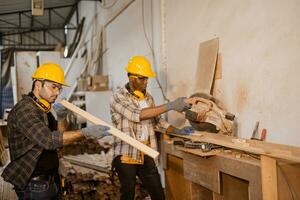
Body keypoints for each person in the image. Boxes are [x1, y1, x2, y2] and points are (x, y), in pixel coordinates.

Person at [1, 63, 110, 200]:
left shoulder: (42, 109)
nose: (57, 93)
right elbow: (49, 140)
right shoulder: (25, 110)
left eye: (59, 88)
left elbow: (60, 135)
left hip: (51, 179)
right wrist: (85, 132)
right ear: (38, 85)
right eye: (53, 87)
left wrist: (61, 117)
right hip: (35, 184)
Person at [110, 56, 195, 200]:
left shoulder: (148, 98)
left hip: (146, 151)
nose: (145, 82)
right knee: (128, 195)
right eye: (141, 78)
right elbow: (136, 114)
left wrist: (177, 131)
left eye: (147, 79)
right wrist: (170, 106)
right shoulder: (118, 96)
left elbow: (157, 122)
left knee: (158, 194)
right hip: (126, 154)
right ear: (130, 77)